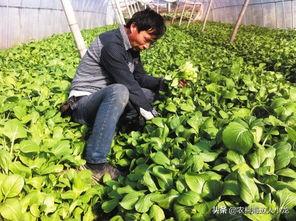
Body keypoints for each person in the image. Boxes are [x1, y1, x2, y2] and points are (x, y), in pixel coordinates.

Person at [60, 8, 167, 181]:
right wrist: (151, 114)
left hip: (104, 102)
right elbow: (128, 83)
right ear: (133, 27)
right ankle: (94, 165)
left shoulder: (132, 47)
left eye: (151, 43)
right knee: (121, 90)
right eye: (147, 39)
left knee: (147, 94)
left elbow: (138, 77)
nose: (147, 46)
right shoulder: (111, 44)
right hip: (83, 103)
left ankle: (121, 125)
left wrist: (163, 84)